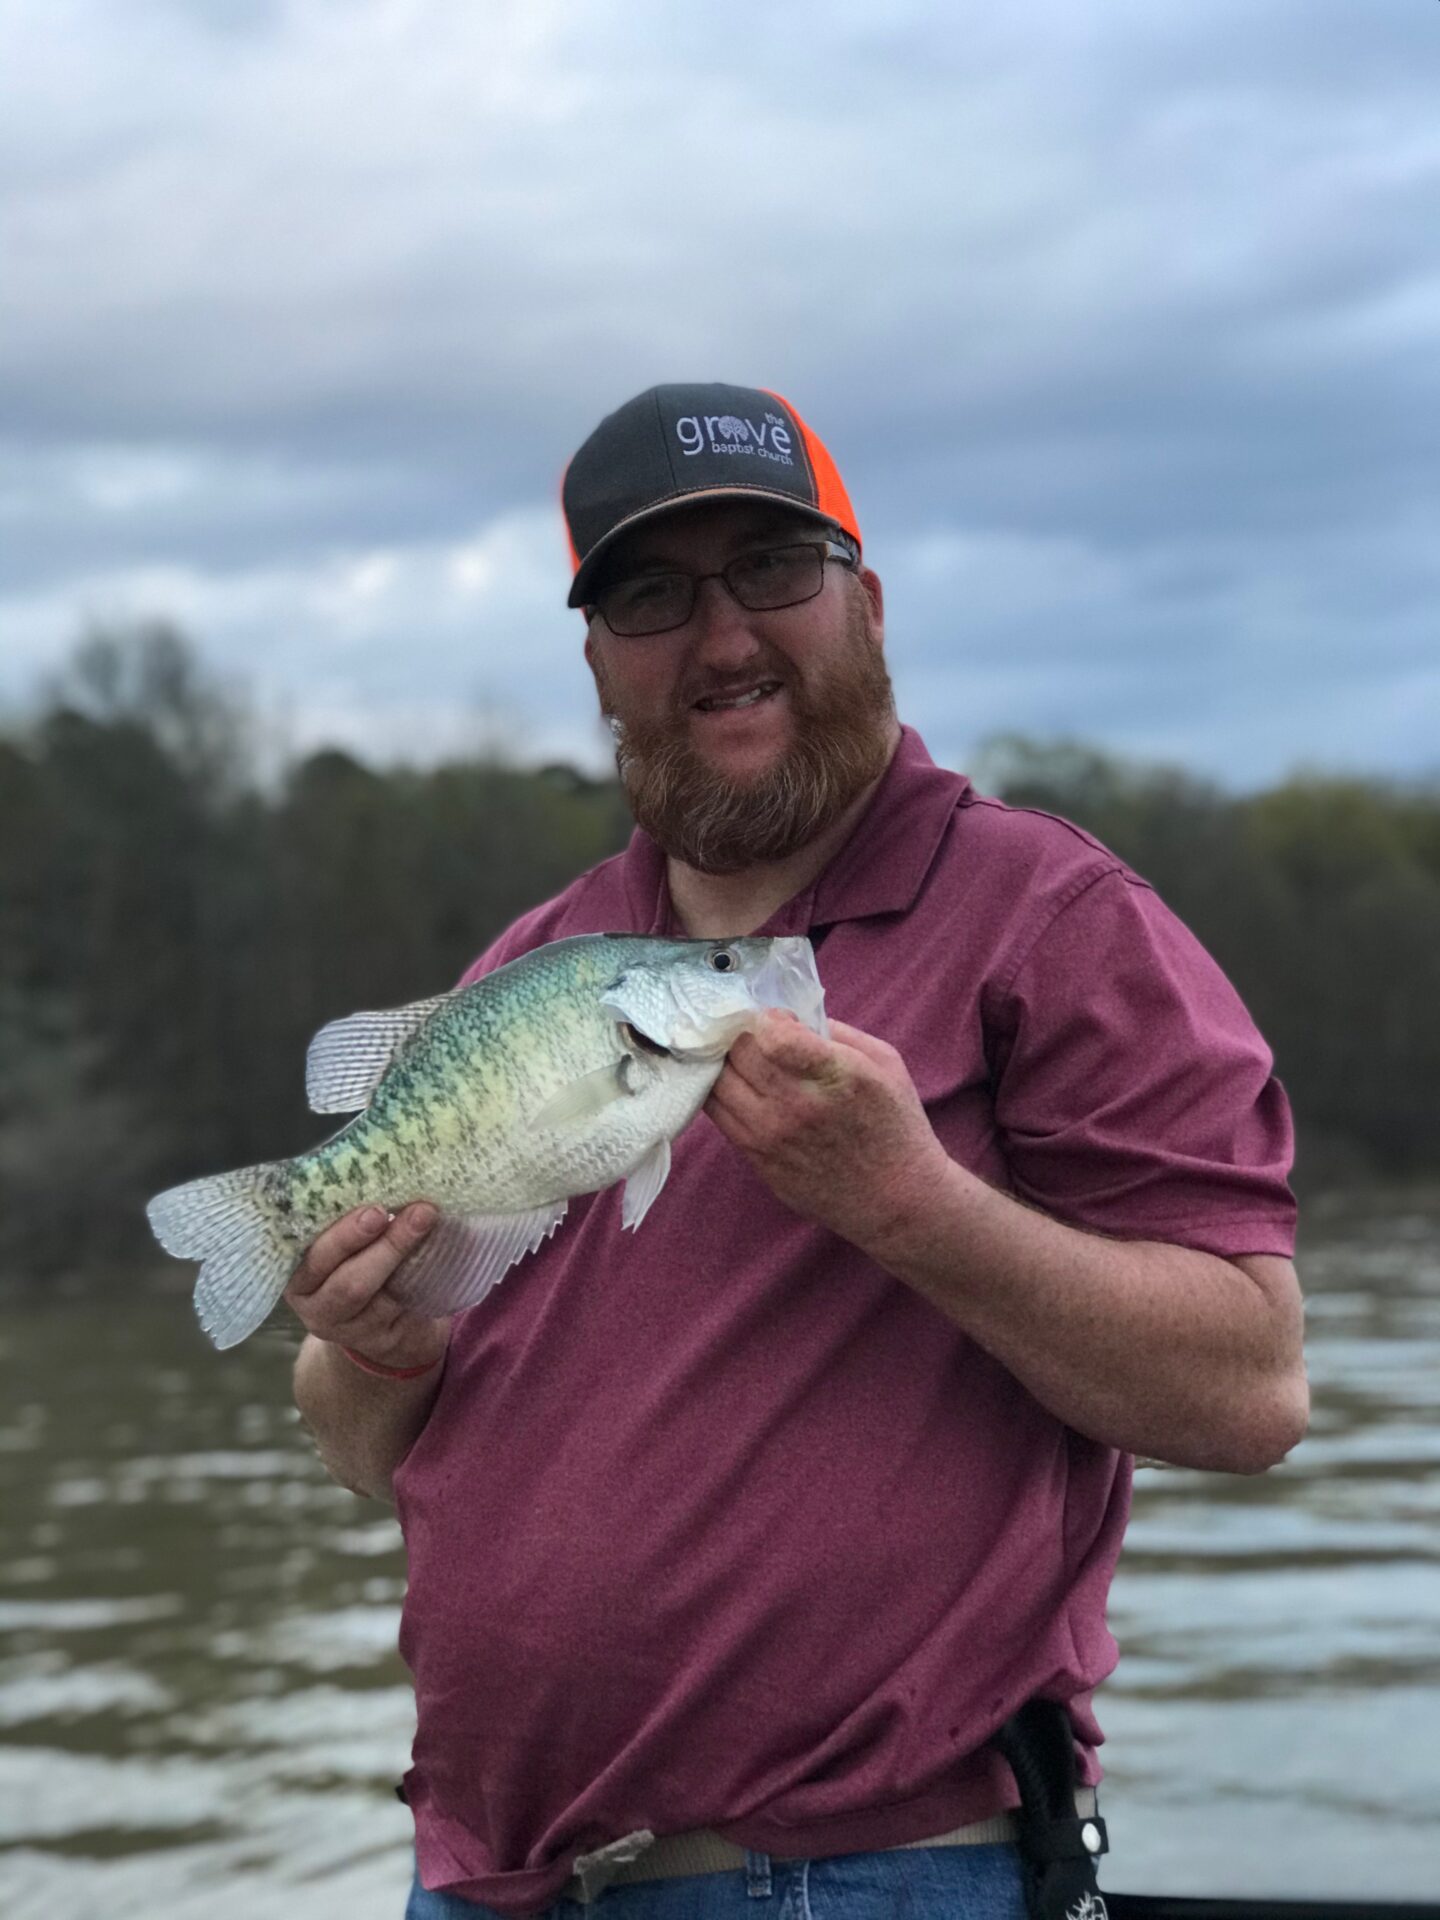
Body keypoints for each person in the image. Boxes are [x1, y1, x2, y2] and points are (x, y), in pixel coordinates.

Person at [288, 383, 1308, 1920]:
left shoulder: (1050, 921)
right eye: (651, 594)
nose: (723, 637)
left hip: (852, 1879)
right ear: (596, 662)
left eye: (772, 569)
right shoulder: (537, 963)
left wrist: (911, 1207)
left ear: (866, 605)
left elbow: (1252, 1390)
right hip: (494, 1877)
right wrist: (375, 1350)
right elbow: (373, 1462)